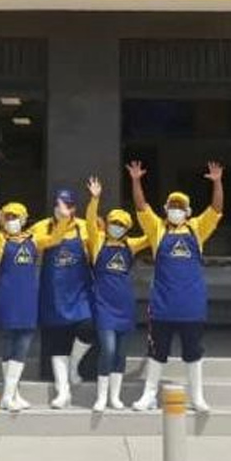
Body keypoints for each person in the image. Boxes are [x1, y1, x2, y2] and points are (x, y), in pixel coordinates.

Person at [127, 160, 224, 413]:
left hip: (192, 306)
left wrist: (217, 183)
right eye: (172, 206)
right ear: (166, 209)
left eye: (180, 207)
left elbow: (216, 209)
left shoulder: (197, 229)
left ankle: (197, 397)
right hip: (162, 306)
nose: (176, 210)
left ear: (188, 211)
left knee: (194, 353)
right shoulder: (157, 229)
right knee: (156, 353)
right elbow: (141, 206)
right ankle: (148, 396)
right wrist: (136, 180)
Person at [0, 194, 72, 411]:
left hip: (28, 299)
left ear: (23, 219)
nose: (11, 221)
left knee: (24, 344)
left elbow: (55, 239)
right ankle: (10, 395)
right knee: (9, 343)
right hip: (7, 298)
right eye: (8, 217)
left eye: (15, 217)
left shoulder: (34, 240)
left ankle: (11, 395)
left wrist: (64, 219)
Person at [84, 175, 151, 412]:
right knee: (108, 349)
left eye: (121, 225)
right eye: (114, 222)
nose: (117, 227)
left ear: (127, 228)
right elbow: (90, 221)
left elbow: (152, 235)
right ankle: (101, 397)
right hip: (103, 305)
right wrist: (95, 199)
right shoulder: (98, 242)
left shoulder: (130, 245)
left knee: (121, 353)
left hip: (125, 306)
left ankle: (115, 397)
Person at [31, 189, 94, 409]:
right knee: (57, 343)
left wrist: (95, 202)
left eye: (66, 205)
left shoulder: (83, 227)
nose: (62, 209)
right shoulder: (42, 226)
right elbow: (41, 244)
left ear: (74, 208)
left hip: (79, 292)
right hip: (54, 294)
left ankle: (74, 365)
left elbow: (96, 245)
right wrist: (62, 224)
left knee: (89, 327)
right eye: (58, 205)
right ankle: (63, 391)